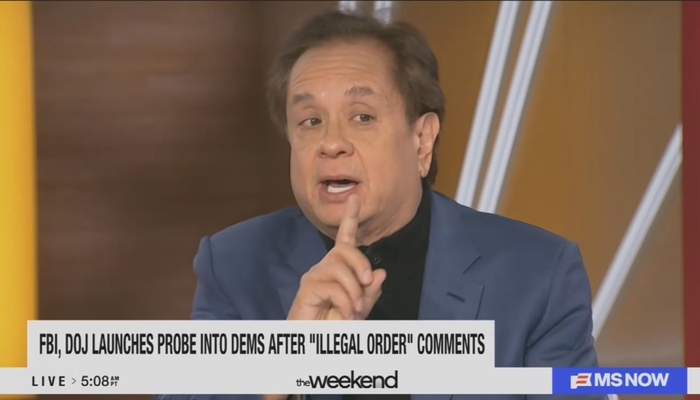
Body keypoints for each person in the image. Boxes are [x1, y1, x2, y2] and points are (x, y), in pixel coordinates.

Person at [157, 9, 603, 400]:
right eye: (310, 121)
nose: (331, 142)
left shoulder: (538, 275)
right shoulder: (234, 264)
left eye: (362, 117)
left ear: (421, 140)